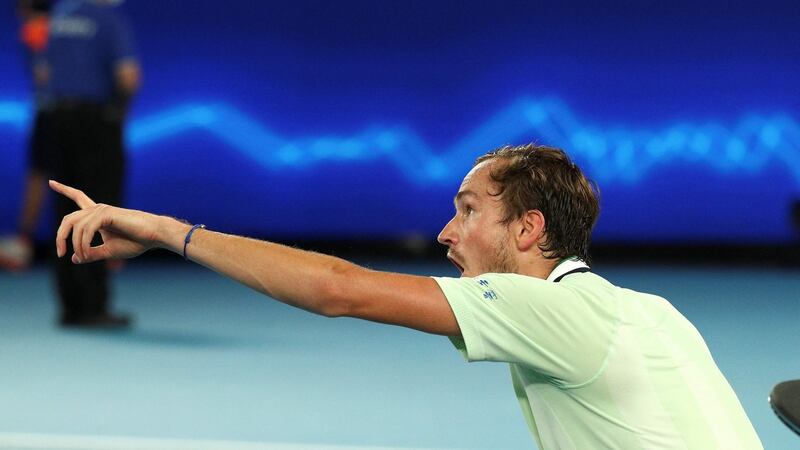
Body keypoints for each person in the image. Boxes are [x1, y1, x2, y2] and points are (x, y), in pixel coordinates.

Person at [49, 144, 763, 449]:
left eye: (468, 210)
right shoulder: (650, 310)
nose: (446, 232)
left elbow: (339, 291)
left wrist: (171, 232)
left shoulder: (549, 307)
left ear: (528, 229)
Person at [43, 0, 140, 327]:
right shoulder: (108, 19)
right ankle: (94, 305)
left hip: (58, 120)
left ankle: (70, 306)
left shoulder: (59, 19)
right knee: (99, 211)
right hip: (95, 124)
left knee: (64, 210)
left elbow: (43, 72)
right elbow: (128, 77)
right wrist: (117, 118)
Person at [0, 0, 53, 272]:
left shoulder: (37, 28)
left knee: (38, 176)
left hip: (53, 114)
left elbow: (44, 74)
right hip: (56, 113)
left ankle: (23, 242)